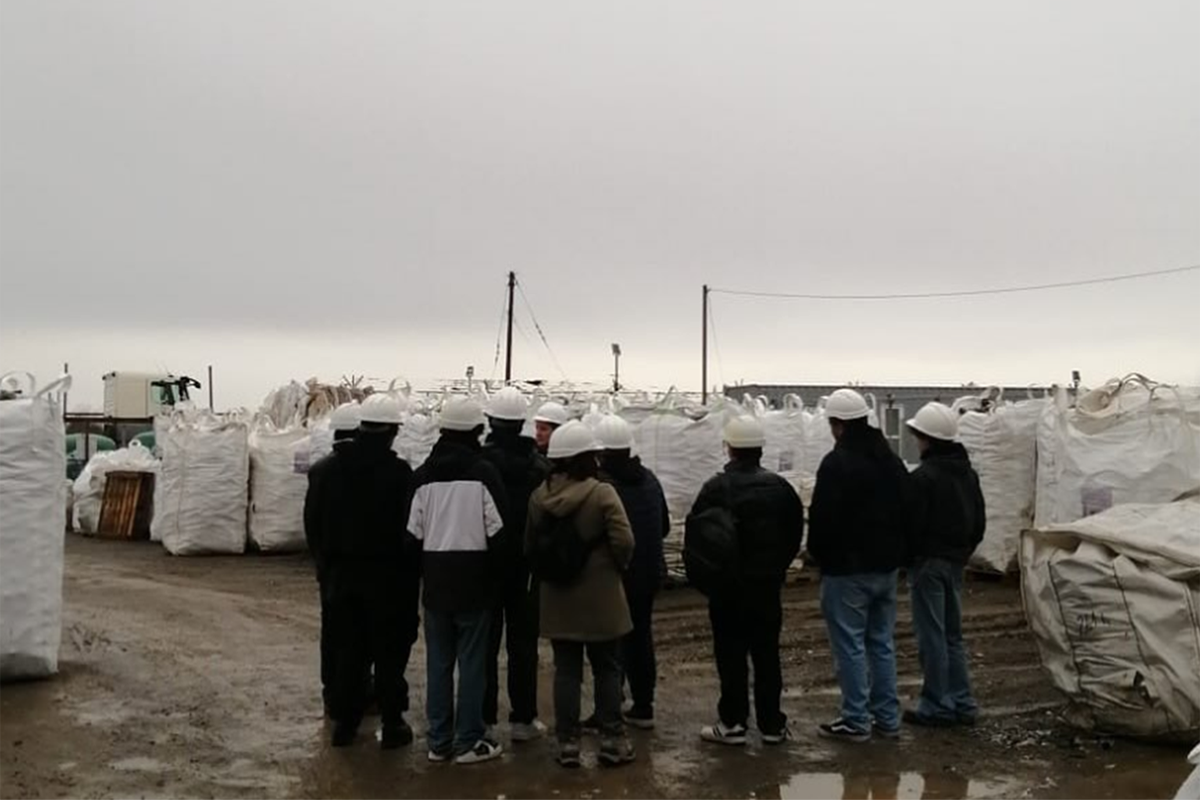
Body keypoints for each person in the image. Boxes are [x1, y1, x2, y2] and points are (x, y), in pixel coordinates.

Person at [305, 395, 419, 749]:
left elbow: (312, 525)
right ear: (392, 432)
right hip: (388, 579)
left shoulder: (325, 471)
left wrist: (325, 567)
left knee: (348, 652)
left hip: (342, 577)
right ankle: (392, 722)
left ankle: (345, 724)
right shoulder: (400, 475)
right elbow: (409, 530)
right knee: (389, 653)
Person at [526, 421, 637, 768]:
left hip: (558, 597)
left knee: (566, 670)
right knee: (607, 667)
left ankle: (568, 744)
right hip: (601, 595)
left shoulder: (539, 497)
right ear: (588, 457)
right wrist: (615, 567)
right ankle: (612, 740)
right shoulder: (602, 494)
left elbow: (530, 547)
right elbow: (625, 541)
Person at [688, 416, 804, 747]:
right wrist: (776, 568)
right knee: (767, 655)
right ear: (760, 449)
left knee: (731, 656)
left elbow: (698, 536)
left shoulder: (716, 488)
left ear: (730, 448)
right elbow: (794, 534)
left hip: (728, 590)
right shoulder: (781, 489)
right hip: (766, 587)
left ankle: (733, 722)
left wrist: (708, 579)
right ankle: (772, 725)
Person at [408, 398, 508, 765]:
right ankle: (468, 740)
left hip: (436, 583)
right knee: (472, 664)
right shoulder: (484, 475)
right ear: (477, 431)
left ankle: (438, 741)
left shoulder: (422, 476)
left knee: (438, 663)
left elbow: (411, 536)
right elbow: (499, 533)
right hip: (475, 583)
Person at [808, 388, 909, 743]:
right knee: (881, 643)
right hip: (886, 568)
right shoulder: (891, 461)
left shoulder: (837, 464)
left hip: (847, 570)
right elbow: (907, 508)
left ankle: (855, 719)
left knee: (849, 645)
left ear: (838, 425)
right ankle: (887, 718)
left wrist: (818, 556)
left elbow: (822, 518)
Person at [903, 402, 985, 728]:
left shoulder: (923, 478)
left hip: (928, 563)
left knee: (932, 636)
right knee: (952, 636)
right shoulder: (968, 475)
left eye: (918, 436)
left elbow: (910, 525)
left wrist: (908, 558)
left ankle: (937, 704)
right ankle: (962, 702)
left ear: (928, 439)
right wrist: (963, 552)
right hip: (955, 562)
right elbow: (978, 522)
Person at [481, 387, 549, 742]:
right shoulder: (539, 467)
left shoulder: (480, 465)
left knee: (485, 645)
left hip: (487, 565)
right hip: (527, 568)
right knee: (523, 645)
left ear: (490, 421)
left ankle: (484, 719)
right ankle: (523, 719)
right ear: (522, 423)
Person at [595, 414, 669, 730]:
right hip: (648, 572)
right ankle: (643, 705)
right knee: (640, 637)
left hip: (617, 574)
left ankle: (608, 707)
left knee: (609, 644)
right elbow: (664, 525)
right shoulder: (649, 480)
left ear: (601, 454)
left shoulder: (603, 487)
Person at [302, 401, 360, 719]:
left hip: (331, 567)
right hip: (361, 565)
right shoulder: (367, 469)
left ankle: (332, 693)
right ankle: (357, 692)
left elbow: (311, 521)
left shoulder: (320, 470)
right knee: (359, 634)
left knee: (332, 631)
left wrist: (319, 560)